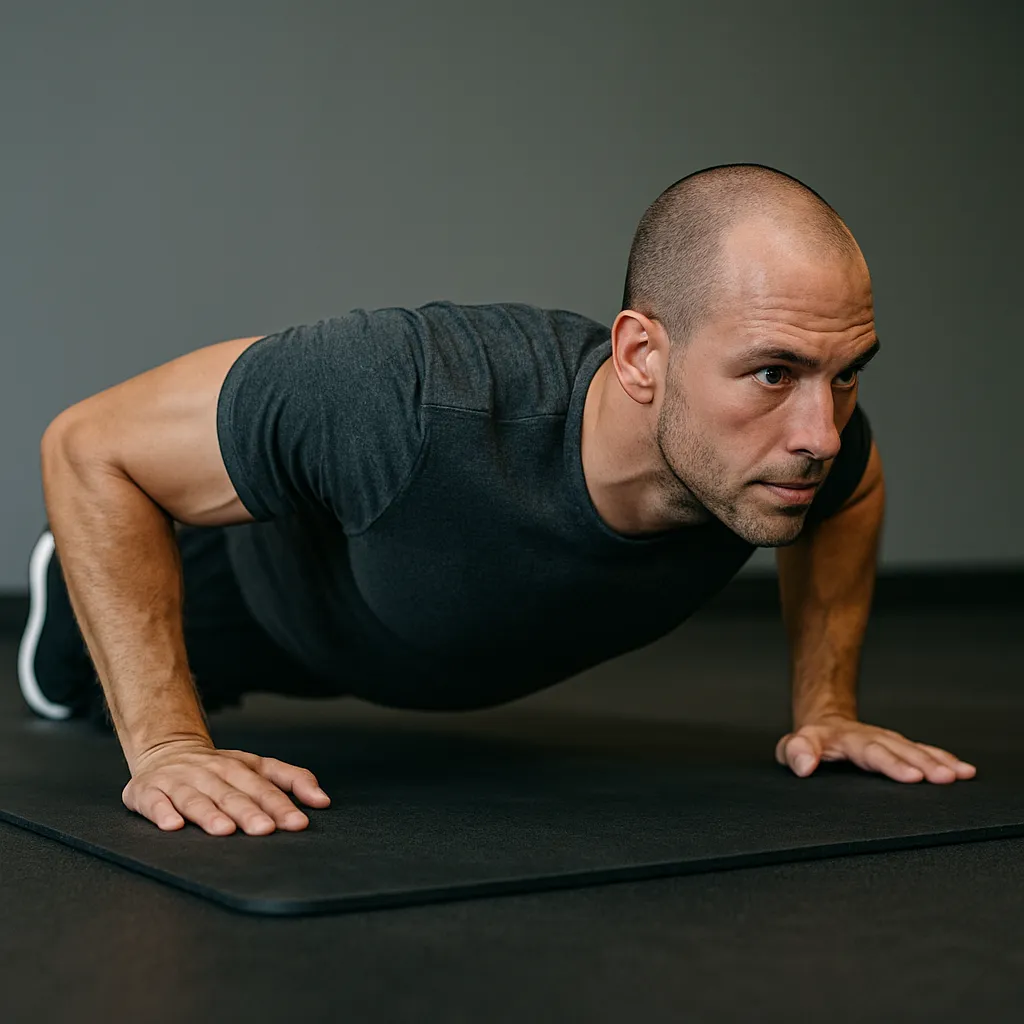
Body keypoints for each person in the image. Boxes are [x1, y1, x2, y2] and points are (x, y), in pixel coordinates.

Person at [18, 163, 976, 840]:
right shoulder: (410, 394)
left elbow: (853, 487)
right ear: (643, 354)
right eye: (772, 372)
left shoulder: (805, 446)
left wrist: (828, 705)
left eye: (846, 375)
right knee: (73, 682)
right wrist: (172, 745)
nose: (821, 429)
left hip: (408, 645)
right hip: (229, 603)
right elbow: (90, 445)